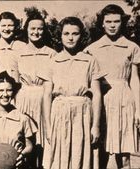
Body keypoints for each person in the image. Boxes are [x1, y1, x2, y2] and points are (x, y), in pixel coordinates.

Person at [41, 16, 103, 169]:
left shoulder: (90, 61)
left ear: (81, 36)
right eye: (66, 33)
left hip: (83, 115)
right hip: (59, 114)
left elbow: (97, 94)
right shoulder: (52, 61)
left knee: (80, 157)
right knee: (58, 157)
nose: (70, 37)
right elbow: (47, 96)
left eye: (75, 33)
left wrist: (95, 126)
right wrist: (48, 127)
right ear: (59, 35)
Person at [85, 4, 140, 168]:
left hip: (124, 100)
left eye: (116, 21)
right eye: (108, 21)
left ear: (122, 22)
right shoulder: (91, 49)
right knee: (99, 152)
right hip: (100, 101)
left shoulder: (132, 47)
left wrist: (139, 108)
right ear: (102, 23)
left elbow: (134, 79)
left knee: (124, 156)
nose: (112, 25)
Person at [15, 12, 57, 169]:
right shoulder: (18, 54)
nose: (36, 32)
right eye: (32, 28)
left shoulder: (52, 53)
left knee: (44, 144)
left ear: (44, 30)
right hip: (24, 100)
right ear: (26, 29)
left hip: (45, 101)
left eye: (40, 29)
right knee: (26, 143)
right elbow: (15, 82)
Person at [0, 71, 37, 169]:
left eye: (9, 90)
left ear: (13, 92)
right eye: (1, 90)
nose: (5, 94)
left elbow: (29, 146)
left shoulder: (23, 118)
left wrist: (22, 155)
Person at [0, 12, 25, 82]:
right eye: (3, 25)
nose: (6, 29)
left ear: (15, 26)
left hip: (18, 88)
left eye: (10, 25)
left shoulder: (22, 46)